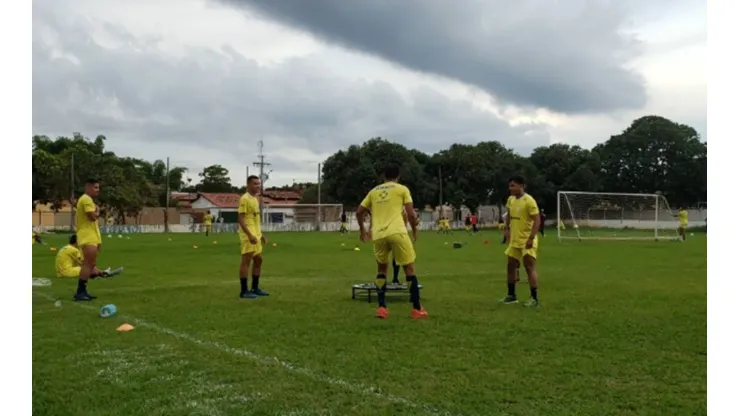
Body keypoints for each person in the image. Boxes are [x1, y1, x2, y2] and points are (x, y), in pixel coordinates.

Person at [356, 164, 427, 319]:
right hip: (397, 232)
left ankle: (382, 308)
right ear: (398, 176)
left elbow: (359, 211)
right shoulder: (402, 189)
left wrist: (363, 230)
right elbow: (410, 214)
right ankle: (417, 308)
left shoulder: (374, 191)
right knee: (409, 268)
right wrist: (415, 231)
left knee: (381, 270)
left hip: (379, 234)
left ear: (384, 177)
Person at [501, 175, 541, 307]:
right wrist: (507, 230)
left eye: (513, 185)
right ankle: (511, 295)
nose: (510, 188)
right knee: (510, 265)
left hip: (527, 239)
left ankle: (534, 299)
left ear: (521, 186)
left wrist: (531, 238)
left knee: (529, 267)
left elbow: (537, 220)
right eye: (509, 185)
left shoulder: (529, 201)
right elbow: (509, 216)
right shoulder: (511, 200)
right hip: (515, 240)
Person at [238, 175, 270, 299]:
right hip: (248, 235)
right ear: (248, 185)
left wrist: (260, 234)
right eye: (255, 184)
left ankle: (255, 288)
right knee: (246, 261)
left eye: (259, 184)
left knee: (258, 260)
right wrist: (249, 235)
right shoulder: (244, 199)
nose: (258, 186)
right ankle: (244, 291)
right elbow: (240, 219)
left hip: (255, 234)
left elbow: (255, 219)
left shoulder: (255, 199)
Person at [73, 178, 103, 301]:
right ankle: (80, 292)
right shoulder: (86, 199)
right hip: (87, 236)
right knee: (87, 264)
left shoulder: (88, 200)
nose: (98, 190)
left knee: (91, 264)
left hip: (91, 236)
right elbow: (92, 217)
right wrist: (98, 211)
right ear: (88, 187)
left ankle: (83, 290)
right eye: (95, 187)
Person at [56, 234, 123, 278]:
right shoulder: (74, 250)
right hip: (66, 272)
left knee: (86, 268)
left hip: (60, 273)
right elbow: (85, 264)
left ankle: (102, 273)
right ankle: (104, 273)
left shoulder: (66, 247)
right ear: (77, 242)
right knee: (87, 269)